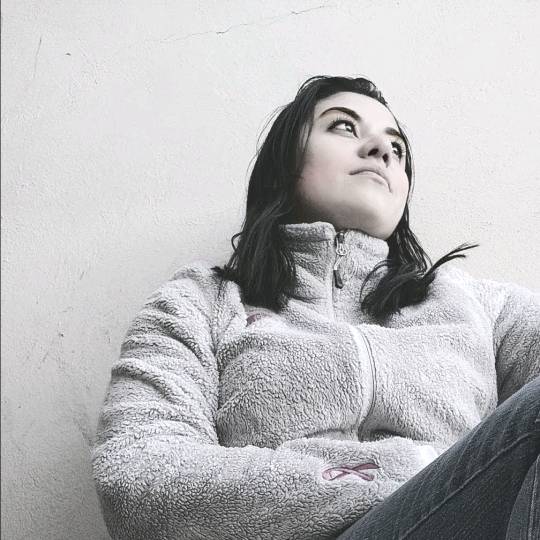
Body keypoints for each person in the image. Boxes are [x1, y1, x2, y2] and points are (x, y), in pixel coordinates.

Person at [91, 75, 540, 539]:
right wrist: (407, 471)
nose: (382, 151)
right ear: (287, 161)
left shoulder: (476, 306)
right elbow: (137, 474)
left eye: (397, 148)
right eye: (344, 127)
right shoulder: (201, 301)